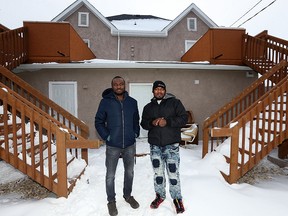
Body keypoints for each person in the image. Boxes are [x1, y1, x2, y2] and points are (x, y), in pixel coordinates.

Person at [95, 76, 140, 216]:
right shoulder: (105, 102)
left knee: (130, 172)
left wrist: (135, 132)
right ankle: (111, 201)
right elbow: (98, 121)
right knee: (110, 175)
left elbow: (135, 119)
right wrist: (107, 136)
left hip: (129, 144)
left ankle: (127, 196)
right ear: (112, 86)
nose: (119, 86)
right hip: (113, 145)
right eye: (116, 84)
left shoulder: (132, 102)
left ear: (124, 85)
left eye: (121, 84)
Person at [141, 80, 188, 214]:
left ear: (165, 90)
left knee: (173, 173)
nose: (159, 91)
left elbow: (184, 118)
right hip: (155, 145)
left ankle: (177, 198)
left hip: (171, 145)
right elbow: (143, 123)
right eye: (156, 89)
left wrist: (167, 122)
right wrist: (152, 122)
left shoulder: (175, 103)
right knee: (158, 174)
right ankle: (160, 196)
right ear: (153, 91)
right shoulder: (148, 107)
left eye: (161, 89)